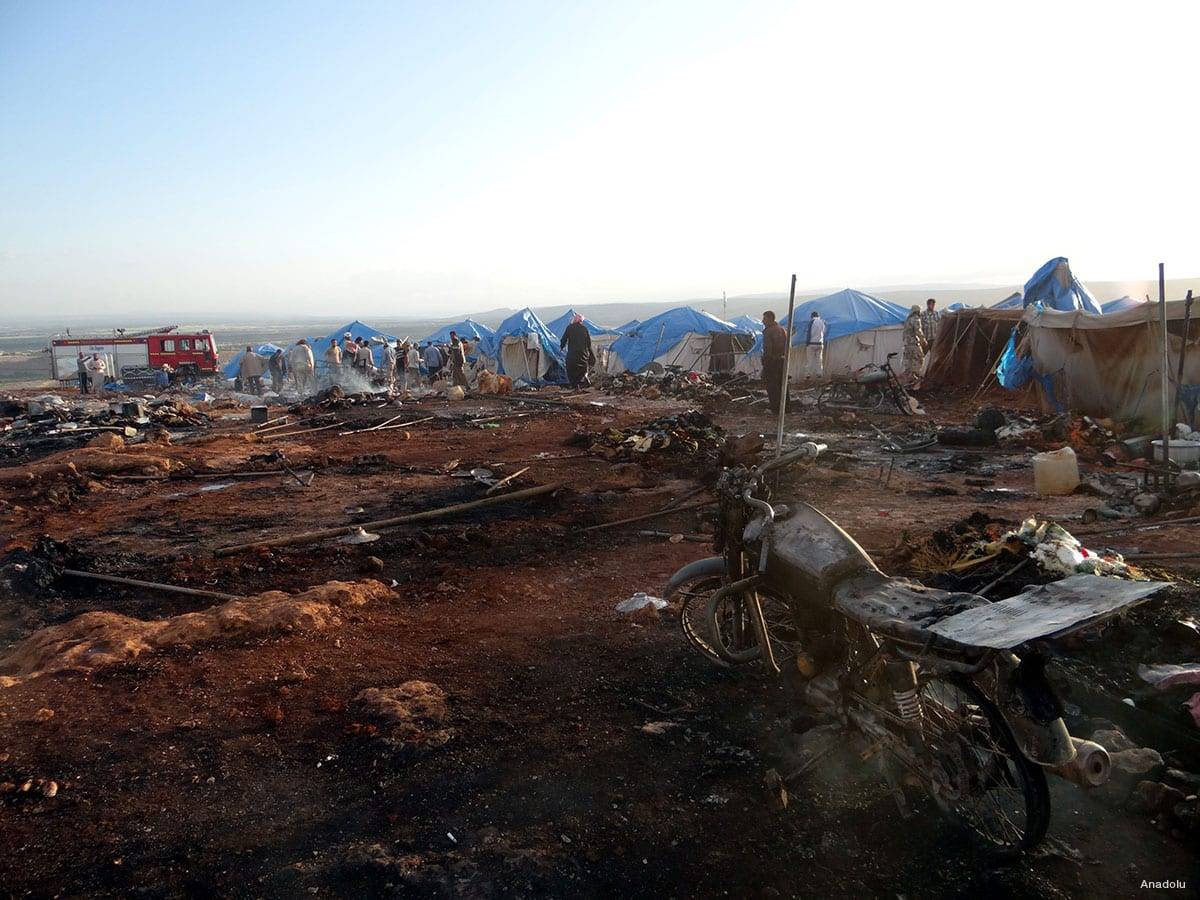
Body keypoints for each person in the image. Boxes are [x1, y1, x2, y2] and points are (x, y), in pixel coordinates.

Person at [760, 311, 788, 414]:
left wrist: (766, 362)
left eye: (764, 319)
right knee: (783, 384)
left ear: (770, 319)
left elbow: (768, 349)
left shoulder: (769, 331)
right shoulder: (782, 330)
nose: (763, 321)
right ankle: (786, 407)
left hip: (772, 361)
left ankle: (775, 408)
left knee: (772, 385)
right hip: (782, 360)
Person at [560, 313, 595, 389]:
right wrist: (591, 353)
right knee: (583, 368)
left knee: (571, 369)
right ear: (581, 321)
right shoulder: (584, 329)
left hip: (572, 354)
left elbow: (564, 339)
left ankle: (575, 385)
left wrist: (561, 347)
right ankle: (585, 377)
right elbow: (589, 343)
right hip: (583, 354)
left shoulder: (569, 328)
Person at [903, 306, 928, 381]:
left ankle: (908, 374)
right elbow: (918, 331)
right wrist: (923, 340)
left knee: (909, 359)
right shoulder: (916, 319)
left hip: (907, 343)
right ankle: (914, 375)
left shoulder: (908, 320)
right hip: (913, 342)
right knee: (919, 358)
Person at [804, 310, 826, 382]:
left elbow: (808, 333)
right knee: (819, 359)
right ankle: (819, 374)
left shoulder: (811, 322)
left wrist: (807, 343)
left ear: (812, 316)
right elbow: (824, 331)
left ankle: (808, 375)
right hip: (820, 343)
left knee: (810, 360)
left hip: (811, 343)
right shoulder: (822, 322)